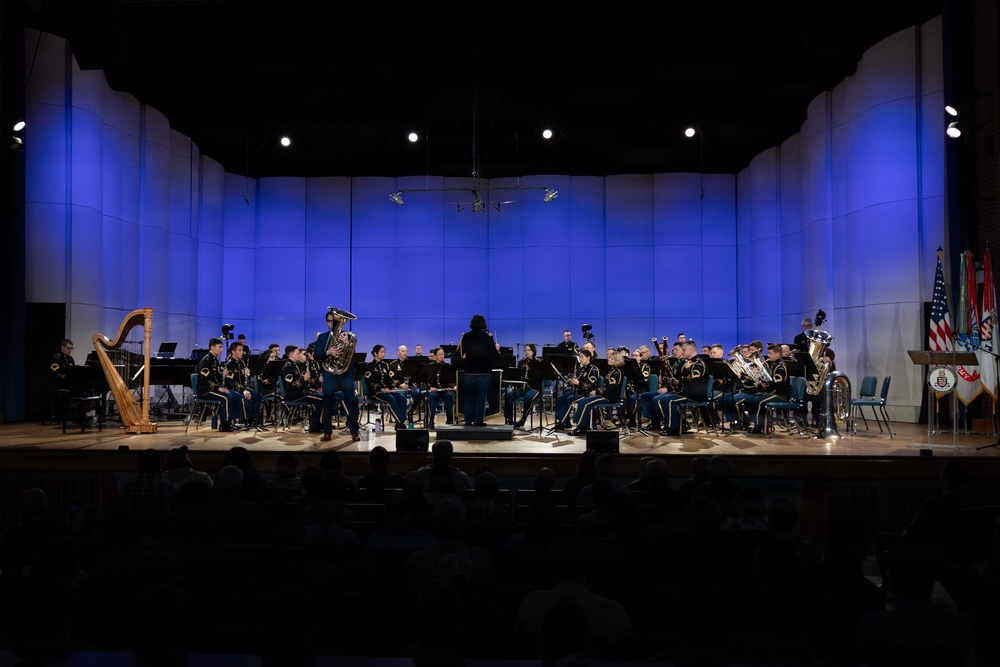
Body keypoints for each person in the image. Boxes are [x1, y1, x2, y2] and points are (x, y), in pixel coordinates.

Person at [314, 309, 360, 442]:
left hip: (345, 375)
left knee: (352, 402)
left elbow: (353, 357)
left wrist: (347, 344)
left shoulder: (348, 337)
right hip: (330, 375)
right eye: (328, 321)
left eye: (333, 321)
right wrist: (327, 352)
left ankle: (354, 431)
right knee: (327, 403)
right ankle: (327, 432)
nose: (330, 324)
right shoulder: (323, 338)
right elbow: (317, 355)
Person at [457, 314, 500, 427]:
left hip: (469, 370)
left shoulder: (465, 336)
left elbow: (458, 352)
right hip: (484, 371)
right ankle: (478, 421)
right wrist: (497, 349)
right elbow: (495, 355)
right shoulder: (488, 336)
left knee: (469, 396)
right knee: (481, 396)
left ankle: (468, 420)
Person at [196, 337, 243, 432]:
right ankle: (224, 425)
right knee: (226, 398)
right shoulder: (206, 361)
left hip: (214, 389)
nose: (221, 349)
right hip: (206, 390)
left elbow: (216, 378)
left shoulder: (216, 361)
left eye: (222, 347)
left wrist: (223, 376)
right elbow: (205, 380)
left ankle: (231, 421)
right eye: (219, 347)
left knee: (236, 395)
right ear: (212, 348)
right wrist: (219, 388)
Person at [554, 348, 599, 430]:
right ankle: (566, 422)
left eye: (582, 357)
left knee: (569, 399)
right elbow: (575, 381)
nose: (580, 359)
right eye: (580, 357)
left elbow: (592, 385)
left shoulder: (593, 369)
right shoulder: (580, 369)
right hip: (576, 392)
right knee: (559, 399)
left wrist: (579, 383)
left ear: (588, 357)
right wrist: (571, 381)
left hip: (585, 394)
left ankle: (561, 422)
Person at [281, 346, 323, 432]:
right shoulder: (288, 367)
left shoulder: (294, 365)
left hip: (299, 392)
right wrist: (304, 379)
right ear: (292, 355)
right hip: (293, 395)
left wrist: (308, 388)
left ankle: (318, 423)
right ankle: (315, 425)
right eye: (297, 353)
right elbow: (290, 385)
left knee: (322, 396)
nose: (298, 355)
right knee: (322, 400)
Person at [363, 344, 407, 428]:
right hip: (376, 392)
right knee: (391, 399)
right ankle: (400, 422)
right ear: (375, 353)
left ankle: (400, 422)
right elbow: (370, 382)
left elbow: (388, 379)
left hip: (387, 391)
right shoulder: (369, 366)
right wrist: (382, 389)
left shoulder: (385, 365)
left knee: (402, 397)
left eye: (384, 352)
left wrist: (392, 387)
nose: (384, 354)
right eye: (381, 352)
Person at [226, 341, 263, 431]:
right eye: (239, 350)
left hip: (242, 388)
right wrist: (243, 390)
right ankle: (246, 419)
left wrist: (247, 374)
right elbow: (231, 381)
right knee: (245, 397)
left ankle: (254, 418)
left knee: (258, 395)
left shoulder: (242, 363)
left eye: (242, 350)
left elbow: (243, 380)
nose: (242, 352)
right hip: (233, 389)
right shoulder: (230, 364)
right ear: (233, 352)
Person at [505, 343, 541, 427]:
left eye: (529, 350)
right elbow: (517, 375)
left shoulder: (538, 362)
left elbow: (539, 377)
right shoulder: (521, 362)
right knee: (508, 395)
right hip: (521, 387)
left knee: (528, 397)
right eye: (525, 350)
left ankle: (523, 419)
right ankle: (509, 419)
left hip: (533, 388)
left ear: (533, 351)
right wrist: (514, 384)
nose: (527, 352)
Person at [425, 347, 455, 429]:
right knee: (432, 396)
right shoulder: (429, 366)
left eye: (443, 354)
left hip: (445, 390)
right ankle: (431, 420)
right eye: (439, 354)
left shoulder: (448, 366)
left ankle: (449, 419)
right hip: (434, 390)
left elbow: (452, 380)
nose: (441, 356)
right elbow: (426, 381)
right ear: (435, 356)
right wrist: (430, 387)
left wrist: (450, 386)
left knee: (449, 396)